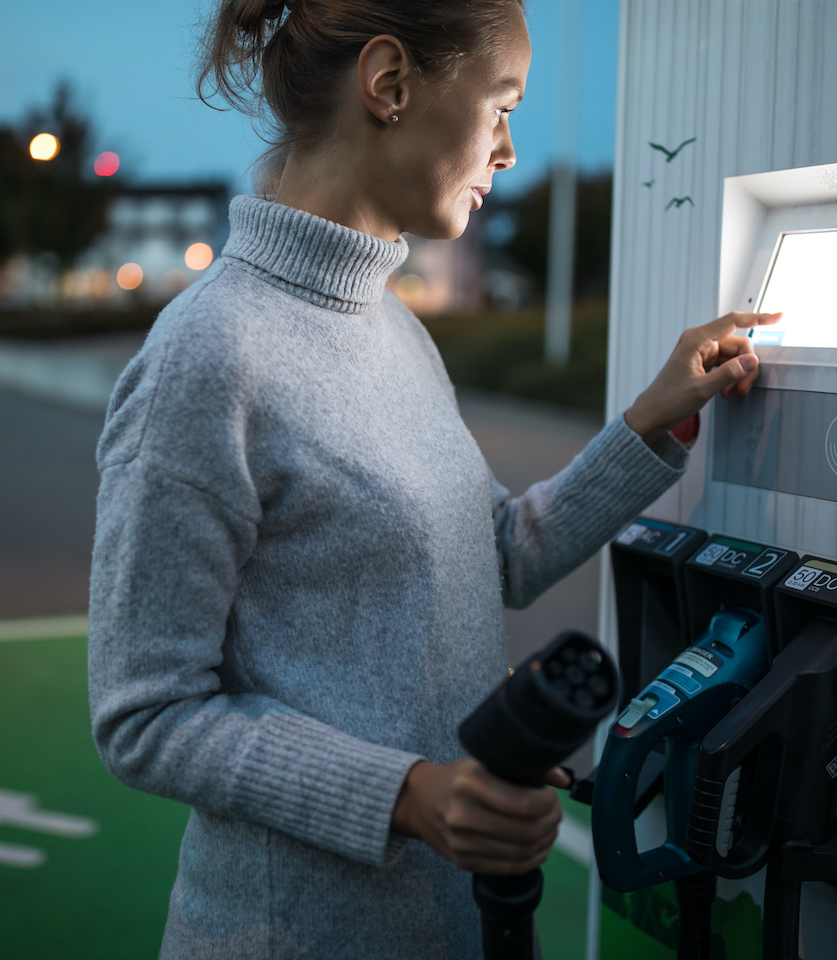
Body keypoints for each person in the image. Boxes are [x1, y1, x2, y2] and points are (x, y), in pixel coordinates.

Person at [87, 1, 776, 957]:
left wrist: (648, 423)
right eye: (500, 106)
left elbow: (493, 553)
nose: (508, 151)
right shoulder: (207, 357)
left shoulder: (395, 328)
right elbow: (146, 713)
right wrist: (410, 796)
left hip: (448, 925)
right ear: (391, 84)